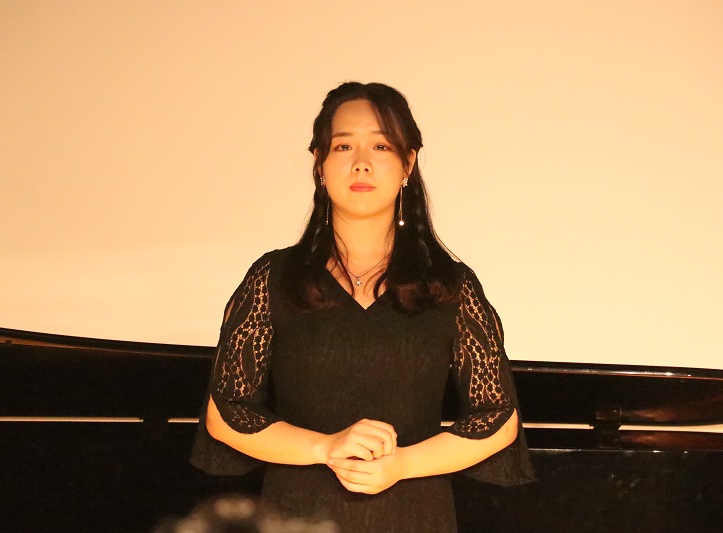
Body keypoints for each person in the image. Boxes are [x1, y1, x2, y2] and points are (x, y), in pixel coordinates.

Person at [191, 82, 534, 533]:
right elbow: (226, 412)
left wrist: (403, 463)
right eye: (343, 146)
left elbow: (498, 417)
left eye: (381, 145)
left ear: (408, 163)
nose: (362, 162)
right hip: (298, 516)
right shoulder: (273, 278)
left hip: (415, 516)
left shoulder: (450, 286)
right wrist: (325, 448)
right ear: (319, 163)